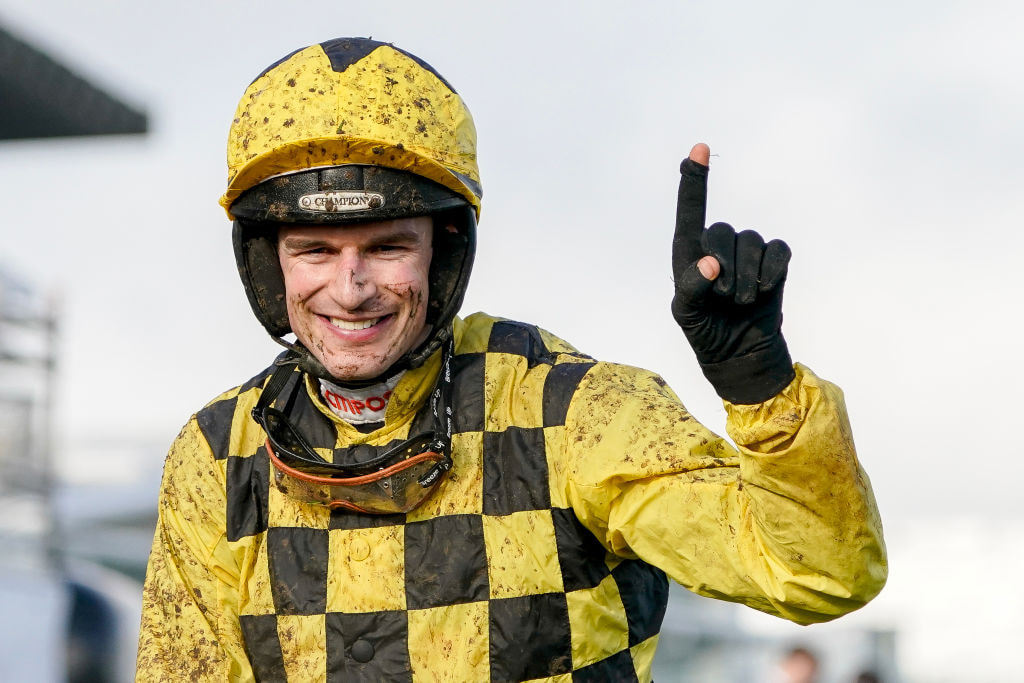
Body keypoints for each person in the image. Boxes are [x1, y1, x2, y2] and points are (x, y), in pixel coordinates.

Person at [136, 37, 887, 681]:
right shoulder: (217, 455)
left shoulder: (571, 414)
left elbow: (823, 573)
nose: (351, 287)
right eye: (315, 250)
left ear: (445, 253)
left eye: (389, 245)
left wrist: (761, 383)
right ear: (270, 266)